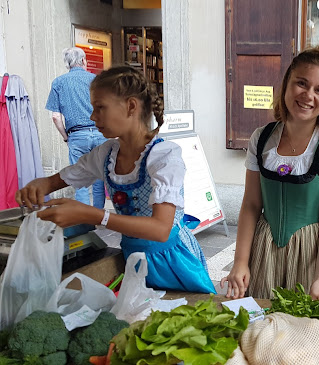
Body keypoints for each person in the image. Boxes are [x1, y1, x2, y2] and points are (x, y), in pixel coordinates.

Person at [16, 66, 215, 294]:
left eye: (100, 108)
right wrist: (42, 184)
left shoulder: (164, 156)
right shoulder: (106, 154)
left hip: (173, 261)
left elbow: (161, 229)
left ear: (131, 106)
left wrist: (91, 214)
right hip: (133, 258)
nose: (92, 117)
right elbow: (61, 178)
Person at [220, 45, 319, 303]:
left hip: (312, 254)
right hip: (265, 250)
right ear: (286, 84)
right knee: (262, 329)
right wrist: (240, 262)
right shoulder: (262, 138)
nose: (308, 95)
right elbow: (250, 206)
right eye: (301, 83)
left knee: (307, 332)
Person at [46, 47, 107, 209]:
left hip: (77, 135)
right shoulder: (96, 80)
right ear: (84, 61)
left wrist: (65, 137)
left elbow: (55, 116)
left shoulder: (58, 83)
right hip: (100, 133)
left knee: (80, 179)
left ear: (67, 64)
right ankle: (99, 216)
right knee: (99, 177)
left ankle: (85, 218)